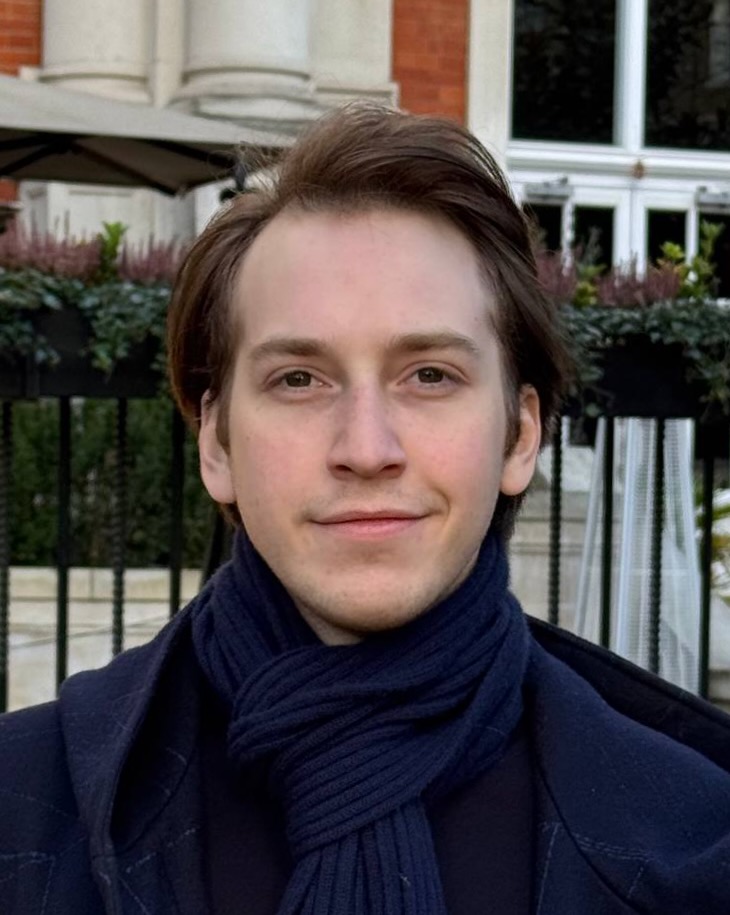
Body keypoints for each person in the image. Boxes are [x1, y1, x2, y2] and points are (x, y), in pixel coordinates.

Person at [1, 105, 729, 915]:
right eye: (298, 379)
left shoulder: (695, 839)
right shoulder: (21, 805)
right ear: (216, 443)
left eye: (430, 375)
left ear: (521, 435)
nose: (366, 446)